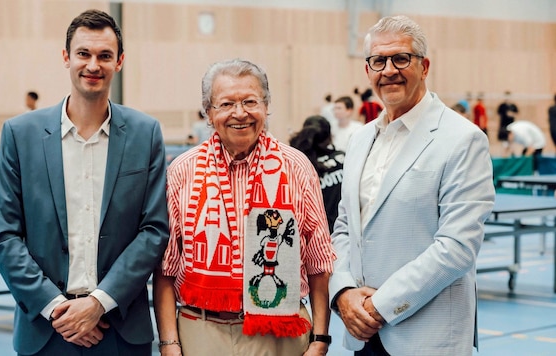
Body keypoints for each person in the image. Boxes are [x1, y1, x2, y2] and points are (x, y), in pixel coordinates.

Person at [0, 9, 169, 355]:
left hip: (120, 327)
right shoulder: (20, 135)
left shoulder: (146, 133)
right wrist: (58, 309)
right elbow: (3, 234)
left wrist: (99, 302)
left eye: (105, 56)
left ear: (120, 62)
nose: (93, 65)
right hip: (46, 328)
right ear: (66, 57)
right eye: (83, 53)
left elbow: (154, 230)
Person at [329, 15, 495, 356]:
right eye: (378, 60)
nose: (389, 69)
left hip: (425, 338)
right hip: (362, 333)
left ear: (424, 66)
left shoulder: (463, 140)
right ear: (368, 71)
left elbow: (457, 247)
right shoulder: (360, 140)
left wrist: (380, 306)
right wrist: (343, 291)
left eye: (401, 58)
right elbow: (345, 225)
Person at [153, 58, 336, 356]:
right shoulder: (182, 171)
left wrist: (320, 339)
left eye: (250, 101)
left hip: (281, 330)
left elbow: (319, 262)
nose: (240, 113)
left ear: (265, 106)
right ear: (209, 113)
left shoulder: (296, 167)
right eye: (226, 104)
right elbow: (166, 267)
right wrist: (169, 343)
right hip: (200, 330)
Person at [289, 115, 345, 233]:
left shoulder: (298, 164)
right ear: (329, 137)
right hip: (344, 232)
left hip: (316, 235)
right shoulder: (343, 158)